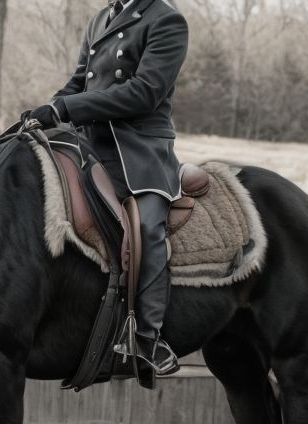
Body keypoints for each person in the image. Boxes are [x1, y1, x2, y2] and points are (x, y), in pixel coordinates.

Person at [22, 0, 189, 376]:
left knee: (147, 224)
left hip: (139, 151)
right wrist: (48, 108)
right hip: (89, 145)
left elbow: (144, 92)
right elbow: (79, 82)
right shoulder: (102, 18)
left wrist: (66, 108)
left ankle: (147, 336)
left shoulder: (167, 20)